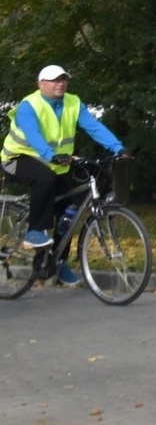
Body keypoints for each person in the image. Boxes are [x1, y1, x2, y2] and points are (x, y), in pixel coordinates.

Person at [0, 65, 128, 286]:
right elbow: (33, 136)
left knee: (70, 212)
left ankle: (57, 263)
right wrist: (51, 155)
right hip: (16, 159)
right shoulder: (29, 105)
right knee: (44, 179)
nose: (59, 84)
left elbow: (93, 127)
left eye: (63, 80)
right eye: (53, 80)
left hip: (55, 164)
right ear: (41, 84)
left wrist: (118, 148)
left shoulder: (73, 102)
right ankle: (34, 231)